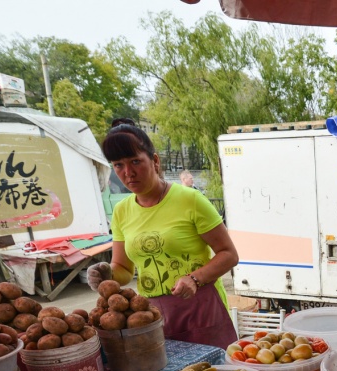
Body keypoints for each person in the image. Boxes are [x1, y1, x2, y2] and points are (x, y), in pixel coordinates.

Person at [88, 119, 239, 349]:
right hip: (151, 315)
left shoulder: (190, 199)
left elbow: (229, 254)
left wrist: (195, 278)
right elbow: (124, 269)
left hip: (201, 307)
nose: (128, 172)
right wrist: (105, 274)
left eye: (136, 161)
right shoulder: (121, 211)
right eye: (118, 165)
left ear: (155, 160)